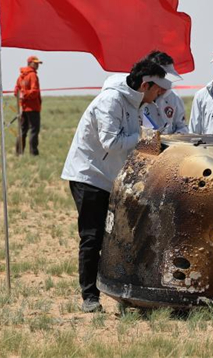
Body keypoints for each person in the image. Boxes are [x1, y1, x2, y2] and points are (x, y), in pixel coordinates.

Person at [61, 59, 171, 313]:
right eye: (157, 90)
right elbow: (111, 142)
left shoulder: (136, 103)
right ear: (145, 85)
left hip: (113, 178)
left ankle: (121, 291)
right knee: (93, 236)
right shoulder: (110, 101)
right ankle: (90, 296)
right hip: (89, 175)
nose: (159, 96)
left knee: (117, 237)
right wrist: (147, 139)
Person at [140, 51, 187, 134]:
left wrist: (176, 137)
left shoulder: (174, 98)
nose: (164, 88)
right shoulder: (137, 98)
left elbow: (182, 126)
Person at [14, 55, 42, 156]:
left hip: (23, 107)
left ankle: (19, 152)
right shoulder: (32, 75)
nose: (37, 65)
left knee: (23, 130)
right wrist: (25, 95)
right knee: (34, 130)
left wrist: (22, 96)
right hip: (33, 107)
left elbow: (16, 91)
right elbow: (34, 91)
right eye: (36, 63)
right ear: (30, 63)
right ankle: (33, 153)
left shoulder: (21, 76)